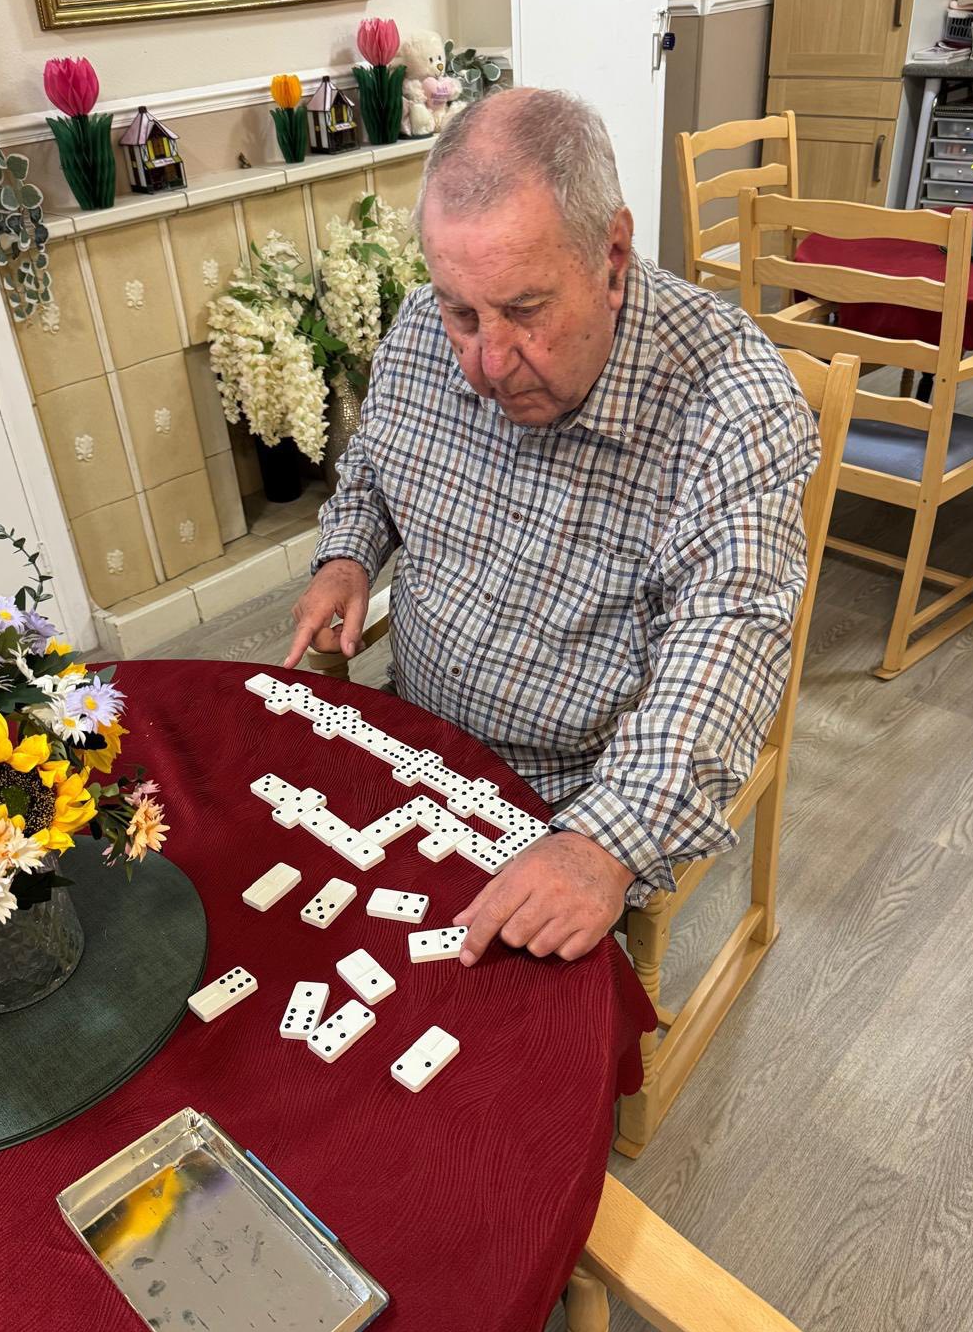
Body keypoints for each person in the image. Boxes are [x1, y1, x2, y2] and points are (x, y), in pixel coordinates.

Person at [286, 88, 819, 969]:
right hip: (408, 731)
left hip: (565, 794)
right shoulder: (426, 326)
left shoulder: (732, 403)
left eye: (526, 311)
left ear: (612, 258)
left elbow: (727, 645)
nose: (487, 364)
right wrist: (346, 553)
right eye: (464, 313)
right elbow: (376, 467)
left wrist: (599, 844)